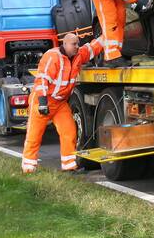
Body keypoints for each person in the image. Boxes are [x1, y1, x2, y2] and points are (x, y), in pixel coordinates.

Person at [21, 32, 102, 174]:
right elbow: (42, 80)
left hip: (60, 103)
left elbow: (91, 48)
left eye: (78, 43)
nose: (77, 47)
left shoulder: (77, 56)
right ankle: (28, 168)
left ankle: (69, 166)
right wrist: (42, 103)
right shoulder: (52, 56)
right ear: (64, 44)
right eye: (74, 44)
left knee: (69, 132)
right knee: (34, 135)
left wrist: (107, 36)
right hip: (43, 101)